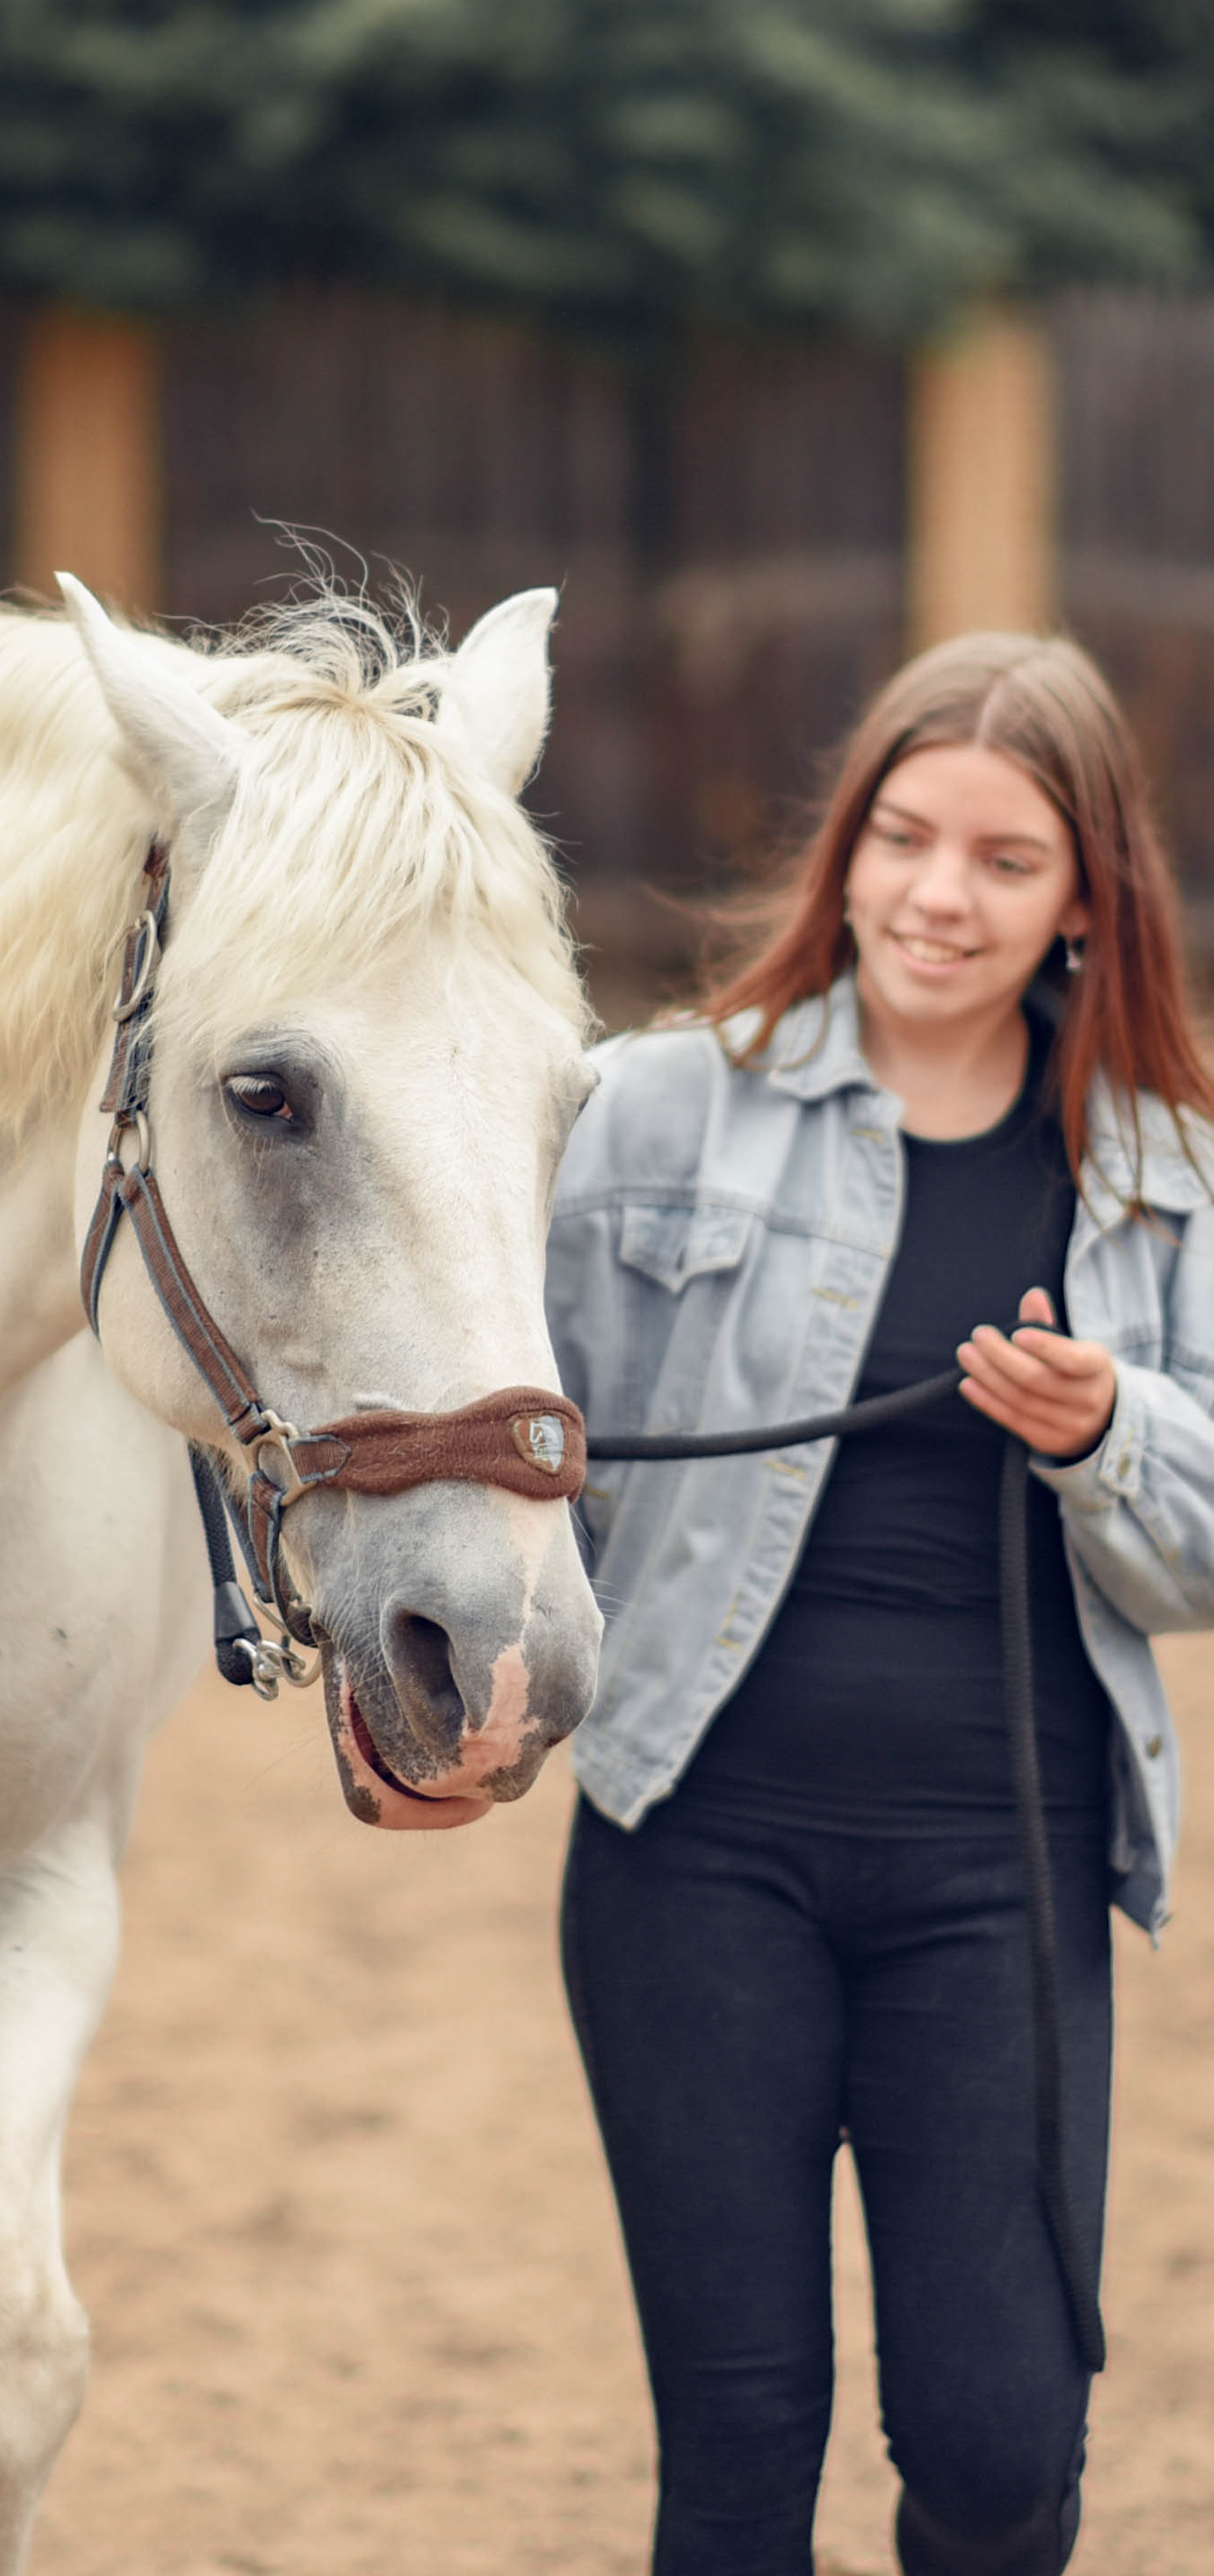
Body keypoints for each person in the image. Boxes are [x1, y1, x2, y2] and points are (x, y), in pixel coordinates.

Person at [544, 632, 1214, 2576]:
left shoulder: (1161, 1179)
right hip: (692, 1854)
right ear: (842, 847)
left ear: (1084, 894)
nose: (939, 892)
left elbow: (1200, 1555)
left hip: (998, 1875)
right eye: (904, 836)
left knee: (1001, 2451)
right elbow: (506, 1444)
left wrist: (1108, 1434)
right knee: (738, 2452)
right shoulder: (644, 1111)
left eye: (1004, 859)